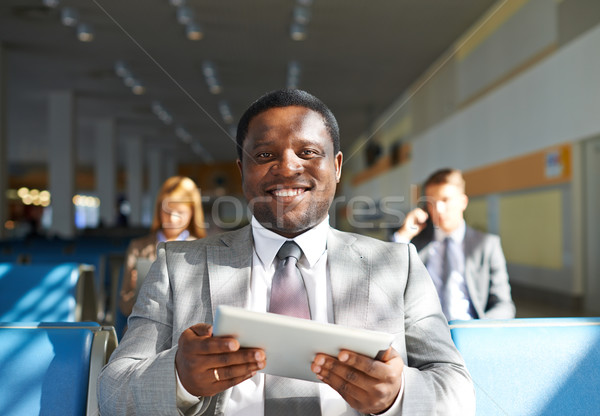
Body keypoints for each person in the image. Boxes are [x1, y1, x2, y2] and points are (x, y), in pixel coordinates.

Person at [98, 89, 475, 415]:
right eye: (264, 156)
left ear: (337, 167)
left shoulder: (398, 266)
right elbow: (113, 392)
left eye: (308, 151)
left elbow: (457, 391)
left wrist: (397, 395)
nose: (288, 167)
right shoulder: (178, 266)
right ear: (242, 170)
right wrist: (180, 378)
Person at [392, 168, 515, 321]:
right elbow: (386, 281)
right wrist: (404, 235)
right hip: (424, 333)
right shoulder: (415, 244)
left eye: (445, 200)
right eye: (432, 202)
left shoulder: (487, 245)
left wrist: (478, 331)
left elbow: (504, 305)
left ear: (463, 202)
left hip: (469, 331)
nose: (438, 209)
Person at [119, 176, 206, 318]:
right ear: (159, 209)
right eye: (167, 211)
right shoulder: (138, 248)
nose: (172, 219)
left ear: (192, 213)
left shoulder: (202, 249)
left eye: (180, 212)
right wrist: (136, 292)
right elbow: (124, 307)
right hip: (143, 324)